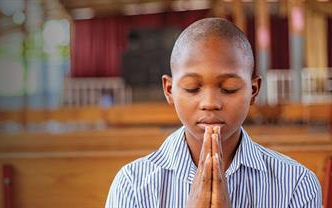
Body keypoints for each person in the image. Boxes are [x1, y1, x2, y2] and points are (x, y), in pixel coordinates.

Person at [105, 18, 322, 208]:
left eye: (229, 88)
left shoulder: (296, 184)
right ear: (169, 90)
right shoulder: (133, 185)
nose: (210, 103)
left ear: (253, 91)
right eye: (192, 87)